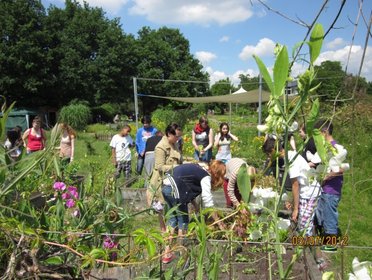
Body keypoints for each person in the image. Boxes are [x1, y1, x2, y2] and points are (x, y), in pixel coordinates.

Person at [160, 160, 226, 264]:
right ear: (217, 174)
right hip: (175, 187)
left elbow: (187, 184)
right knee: (183, 220)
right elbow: (207, 200)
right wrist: (219, 222)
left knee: (173, 219)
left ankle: (166, 253)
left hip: (166, 186)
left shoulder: (199, 169)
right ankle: (182, 254)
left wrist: (195, 206)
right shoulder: (205, 176)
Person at [262, 136, 321, 236]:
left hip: (310, 192)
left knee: (305, 225)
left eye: (268, 154)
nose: (269, 158)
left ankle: (306, 246)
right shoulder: (290, 155)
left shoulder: (291, 160)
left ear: (273, 150)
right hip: (305, 191)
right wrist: (293, 201)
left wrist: (295, 209)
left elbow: (295, 185)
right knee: (302, 223)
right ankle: (304, 245)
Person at [314, 119, 346, 252]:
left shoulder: (335, 148)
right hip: (325, 188)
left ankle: (331, 244)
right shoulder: (327, 147)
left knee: (329, 216)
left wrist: (326, 177)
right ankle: (324, 237)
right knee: (322, 214)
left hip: (331, 189)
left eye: (318, 134)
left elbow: (341, 168)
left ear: (324, 132)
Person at [147, 123, 182, 209]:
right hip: (161, 181)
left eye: (179, 136)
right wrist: (176, 167)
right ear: (169, 134)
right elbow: (160, 167)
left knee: (173, 208)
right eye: (177, 136)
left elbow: (179, 159)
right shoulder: (160, 147)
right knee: (162, 209)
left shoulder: (175, 144)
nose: (178, 139)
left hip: (173, 180)